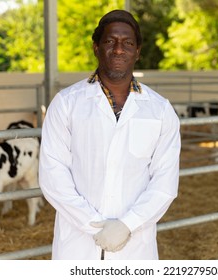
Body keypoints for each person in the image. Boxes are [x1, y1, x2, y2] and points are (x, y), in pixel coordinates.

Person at [38, 9, 181, 260]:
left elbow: (164, 182)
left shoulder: (160, 109)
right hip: (78, 243)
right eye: (110, 41)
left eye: (128, 43)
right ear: (96, 47)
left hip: (135, 245)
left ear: (137, 51)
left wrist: (128, 224)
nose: (118, 49)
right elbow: (53, 174)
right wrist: (93, 224)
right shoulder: (66, 103)